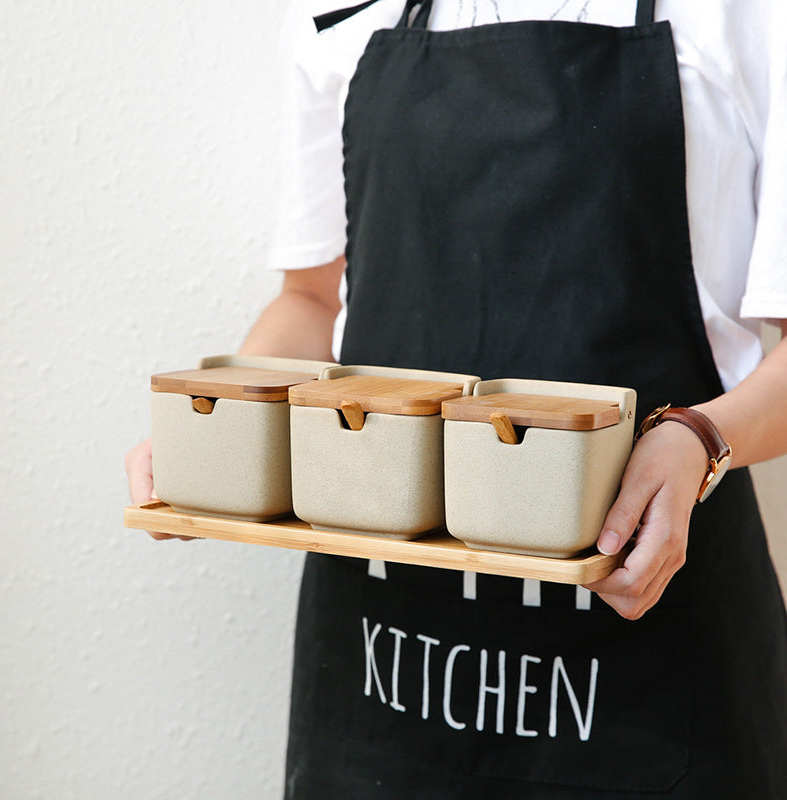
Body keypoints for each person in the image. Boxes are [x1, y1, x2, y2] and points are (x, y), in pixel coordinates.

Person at [127, 0, 787, 796]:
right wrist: (215, 431)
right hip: (383, 667)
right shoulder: (339, 16)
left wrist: (698, 438)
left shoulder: (748, 17)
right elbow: (310, 299)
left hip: (653, 673)